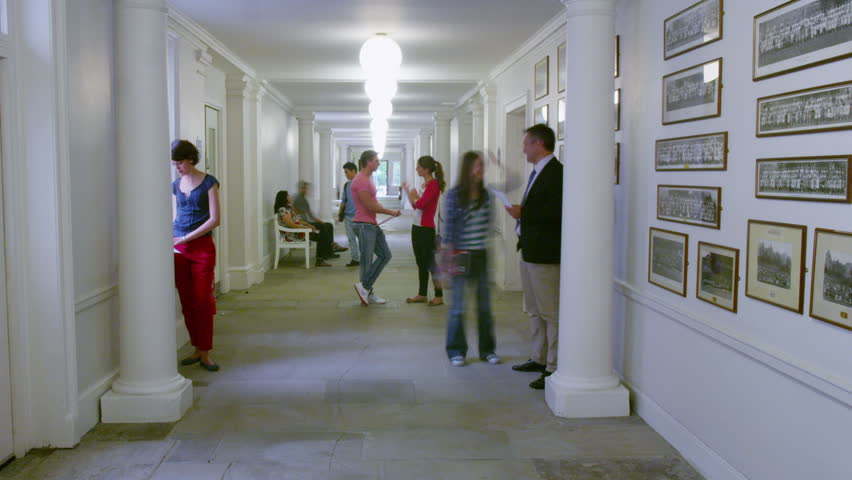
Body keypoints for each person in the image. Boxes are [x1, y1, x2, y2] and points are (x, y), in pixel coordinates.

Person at [504, 124, 563, 390]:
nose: (523, 148)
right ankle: (538, 358)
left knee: (550, 311)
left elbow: (557, 213)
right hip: (529, 249)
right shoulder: (537, 172)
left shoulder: (557, 173)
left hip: (546, 253)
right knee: (534, 309)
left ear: (539, 144)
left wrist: (522, 213)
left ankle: (554, 366)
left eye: (526, 143)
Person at [441, 151, 499, 367]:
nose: (480, 170)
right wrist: (448, 261)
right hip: (460, 255)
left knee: (484, 307)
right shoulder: (455, 195)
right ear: (467, 169)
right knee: (458, 307)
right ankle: (456, 350)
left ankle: (487, 350)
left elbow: (514, 182)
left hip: (481, 255)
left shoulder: (487, 195)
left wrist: (499, 164)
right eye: (477, 166)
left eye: (482, 166)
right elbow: (449, 231)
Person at [172, 139, 221, 372]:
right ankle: (196, 347)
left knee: (203, 300)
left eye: (179, 162)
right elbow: (177, 213)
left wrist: (185, 238)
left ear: (190, 159)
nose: (177, 167)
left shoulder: (209, 182)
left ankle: (205, 351)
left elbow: (215, 219)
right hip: (178, 248)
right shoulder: (175, 184)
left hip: (201, 247)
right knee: (186, 301)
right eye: (174, 163)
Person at [351, 150, 401, 305]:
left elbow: (373, 202)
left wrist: (383, 208)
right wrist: (390, 211)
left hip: (370, 224)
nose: (378, 163)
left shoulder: (368, 179)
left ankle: (365, 288)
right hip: (364, 225)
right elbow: (368, 205)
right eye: (376, 161)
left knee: (385, 255)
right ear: (368, 162)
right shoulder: (361, 180)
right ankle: (367, 291)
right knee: (366, 261)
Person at [402, 155, 445, 306]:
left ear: (426, 169)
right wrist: (409, 193)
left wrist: (413, 197)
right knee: (421, 262)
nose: (417, 169)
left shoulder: (433, 185)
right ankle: (422, 294)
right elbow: (416, 205)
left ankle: (439, 295)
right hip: (417, 227)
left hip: (426, 229)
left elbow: (420, 204)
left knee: (430, 263)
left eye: (419, 166)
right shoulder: (424, 185)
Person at [275, 190, 335, 267]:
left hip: (299, 230)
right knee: (321, 236)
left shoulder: (288, 208)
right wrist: (306, 227)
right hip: (294, 234)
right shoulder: (282, 210)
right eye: (288, 196)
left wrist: (308, 225)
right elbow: (291, 224)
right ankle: (323, 256)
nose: (290, 197)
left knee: (327, 226)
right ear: (284, 198)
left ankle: (329, 248)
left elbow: (297, 220)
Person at [292, 181, 346, 255]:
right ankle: (331, 245)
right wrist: (310, 225)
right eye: (303, 188)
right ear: (300, 189)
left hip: (306, 222)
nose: (306, 190)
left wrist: (321, 221)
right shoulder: (298, 199)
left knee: (329, 225)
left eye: (306, 188)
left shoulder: (303, 199)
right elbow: (297, 217)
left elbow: (310, 215)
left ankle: (330, 251)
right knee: (323, 228)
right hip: (303, 224)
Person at [338, 162, 360, 267]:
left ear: (353, 171)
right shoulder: (347, 185)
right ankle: (355, 259)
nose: (345, 174)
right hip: (348, 216)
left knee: (363, 239)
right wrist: (340, 214)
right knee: (351, 239)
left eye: (347, 172)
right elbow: (344, 200)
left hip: (360, 217)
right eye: (345, 172)